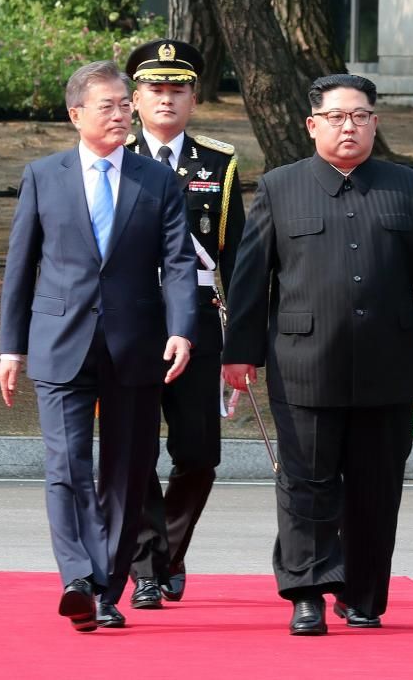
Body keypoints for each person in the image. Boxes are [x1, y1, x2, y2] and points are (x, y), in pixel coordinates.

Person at [221, 74, 413, 636]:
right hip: (304, 362)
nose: (347, 126)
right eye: (335, 117)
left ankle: (364, 595)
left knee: (377, 487)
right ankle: (307, 591)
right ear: (312, 125)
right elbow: (252, 281)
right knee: (306, 483)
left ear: (375, 122)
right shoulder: (281, 186)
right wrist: (239, 355)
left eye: (359, 116)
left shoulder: (407, 186)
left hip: (389, 364)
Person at [0, 60, 198, 633]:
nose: (120, 113)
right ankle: (77, 579)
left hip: (136, 344)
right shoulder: (44, 175)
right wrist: (11, 347)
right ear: (75, 114)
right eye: (107, 105)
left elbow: (179, 262)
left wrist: (181, 328)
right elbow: (20, 266)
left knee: (128, 472)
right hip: (60, 342)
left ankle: (105, 587)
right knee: (66, 465)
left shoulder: (157, 180)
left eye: (123, 104)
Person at [122, 39, 246, 609]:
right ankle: (146, 567)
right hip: (131, 316)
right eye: (155, 88)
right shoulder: (113, 157)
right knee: (136, 448)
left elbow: (239, 260)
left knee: (199, 453)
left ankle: (168, 549)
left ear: (194, 97)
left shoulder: (217, 165)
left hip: (197, 316)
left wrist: (242, 344)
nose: (166, 98)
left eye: (178, 88)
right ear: (135, 97)